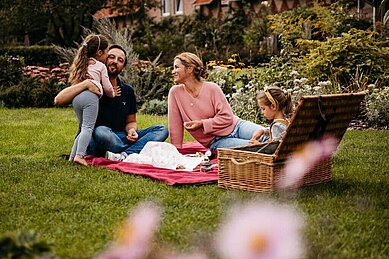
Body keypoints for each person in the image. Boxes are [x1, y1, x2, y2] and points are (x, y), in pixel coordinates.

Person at [54, 44, 169, 161]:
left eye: (120, 60)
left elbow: (131, 121)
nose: (115, 61)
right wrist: (86, 84)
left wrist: (131, 130)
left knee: (161, 129)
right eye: (111, 57)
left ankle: (124, 154)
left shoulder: (127, 90)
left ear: (123, 67)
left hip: (120, 137)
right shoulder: (92, 85)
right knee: (101, 131)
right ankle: (134, 150)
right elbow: (58, 100)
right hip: (97, 138)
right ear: (103, 59)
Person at [168, 52, 268, 152]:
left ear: (190, 69)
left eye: (176, 67)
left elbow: (227, 117)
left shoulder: (212, 88)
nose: (173, 71)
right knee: (259, 148)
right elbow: (174, 126)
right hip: (217, 141)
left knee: (272, 137)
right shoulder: (175, 93)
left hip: (237, 126)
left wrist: (202, 124)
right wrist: (175, 152)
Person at [68, 34, 115, 166]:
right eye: (107, 52)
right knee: (88, 127)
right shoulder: (100, 66)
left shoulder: (81, 63)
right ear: (100, 52)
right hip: (90, 97)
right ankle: (79, 155)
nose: (107, 56)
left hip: (77, 98)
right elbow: (107, 87)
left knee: (82, 128)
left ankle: (72, 156)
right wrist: (112, 94)